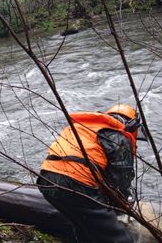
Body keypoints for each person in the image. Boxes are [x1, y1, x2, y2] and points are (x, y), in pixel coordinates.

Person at [37, 104, 147, 243]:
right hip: (77, 185)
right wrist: (124, 209)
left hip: (45, 180)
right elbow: (120, 180)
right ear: (131, 125)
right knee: (119, 238)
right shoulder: (118, 136)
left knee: (85, 229)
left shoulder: (81, 127)